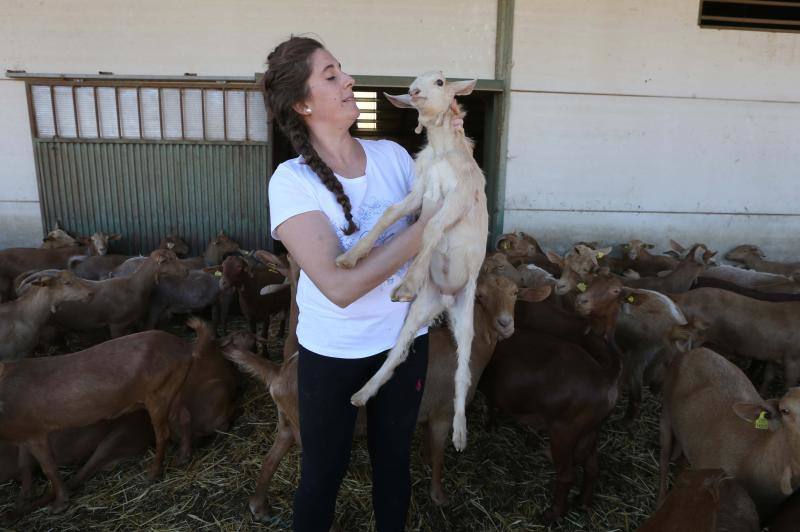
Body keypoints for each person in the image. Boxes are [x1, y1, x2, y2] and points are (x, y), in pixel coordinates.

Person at [263, 36, 458, 532]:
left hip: (403, 343)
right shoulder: (291, 182)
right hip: (333, 353)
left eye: (342, 70)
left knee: (394, 466)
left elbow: (449, 199)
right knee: (322, 474)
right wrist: (423, 229)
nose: (348, 80)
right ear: (302, 104)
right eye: (331, 75)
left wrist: (449, 137)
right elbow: (338, 287)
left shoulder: (392, 156)